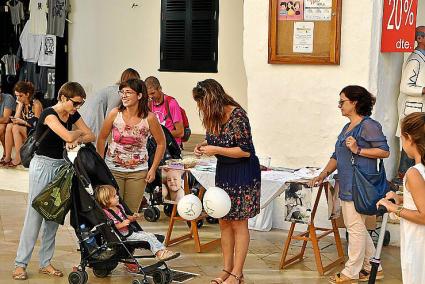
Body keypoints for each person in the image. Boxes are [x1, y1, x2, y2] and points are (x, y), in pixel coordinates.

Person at [12, 82, 95, 280]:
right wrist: (75, 135)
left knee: (53, 217)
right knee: (35, 214)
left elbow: (91, 134)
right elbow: (68, 135)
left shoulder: (72, 113)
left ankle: (45, 262)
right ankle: (20, 264)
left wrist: (77, 137)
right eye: (75, 103)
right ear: (64, 98)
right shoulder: (49, 114)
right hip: (42, 166)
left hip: (61, 166)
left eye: (81, 105)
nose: (77, 108)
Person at [309, 85, 390, 283]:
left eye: (342, 101)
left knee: (354, 228)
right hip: (346, 183)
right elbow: (337, 155)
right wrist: (323, 173)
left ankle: (350, 273)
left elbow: (384, 151)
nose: (339, 106)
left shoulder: (369, 125)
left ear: (354, 102)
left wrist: (358, 150)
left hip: (359, 185)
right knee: (357, 227)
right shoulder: (347, 127)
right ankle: (373, 267)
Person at [193, 79, 260, 284]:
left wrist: (216, 150)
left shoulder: (237, 116)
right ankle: (226, 269)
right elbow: (217, 141)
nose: (201, 107)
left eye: (202, 103)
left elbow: (245, 151)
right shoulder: (212, 117)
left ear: (212, 99)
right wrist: (203, 146)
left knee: (239, 223)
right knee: (224, 221)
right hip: (224, 172)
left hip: (242, 172)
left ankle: (237, 273)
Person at [97, 79, 165, 214]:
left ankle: (130, 235)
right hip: (113, 169)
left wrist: (153, 169)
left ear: (139, 95)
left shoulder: (150, 118)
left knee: (131, 213)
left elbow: (161, 143)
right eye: (122, 92)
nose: (124, 95)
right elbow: (102, 138)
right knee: (112, 211)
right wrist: (101, 163)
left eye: (128, 92)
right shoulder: (114, 113)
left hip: (138, 172)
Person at [377, 112, 425, 284]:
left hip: (419, 240)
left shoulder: (415, 172)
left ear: (409, 138)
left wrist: (392, 208)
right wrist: (402, 198)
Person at [95, 185, 180, 261]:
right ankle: (159, 253)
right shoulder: (106, 213)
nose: (117, 197)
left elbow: (125, 217)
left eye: (117, 194)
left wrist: (132, 218)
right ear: (105, 200)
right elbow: (109, 227)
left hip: (131, 232)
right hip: (122, 235)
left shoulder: (119, 207)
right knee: (147, 238)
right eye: (114, 196)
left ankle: (163, 251)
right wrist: (122, 225)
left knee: (150, 235)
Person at [79, 68, 140, 140]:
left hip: (89, 120)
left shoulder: (115, 90)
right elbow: (110, 118)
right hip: (94, 123)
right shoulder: (117, 93)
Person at [396, 26, 425, 177]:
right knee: (410, 143)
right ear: (419, 39)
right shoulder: (415, 59)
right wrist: (423, 90)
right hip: (413, 110)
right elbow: (405, 86)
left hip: (419, 110)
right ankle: (404, 177)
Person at [2, 81, 42, 167]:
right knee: (10, 126)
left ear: (27, 94)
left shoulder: (36, 104)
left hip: (35, 134)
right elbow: (15, 120)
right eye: (16, 96)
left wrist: (23, 122)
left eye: (20, 96)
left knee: (15, 128)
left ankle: (19, 157)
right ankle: (7, 157)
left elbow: (36, 124)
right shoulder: (21, 104)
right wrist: (19, 106)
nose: (18, 98)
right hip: (25, 132)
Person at [145, 76, 184, 146]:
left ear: (160, 88)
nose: (150, 97)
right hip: (156, 144)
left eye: (153, 93)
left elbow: (180, 132)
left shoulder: (171, 103)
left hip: (172, 145)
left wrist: (160, 135)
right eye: (148, 95)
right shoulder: (149, 104)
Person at [0, 83, 16, 161]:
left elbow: (6, 119)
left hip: (12, 123)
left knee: (1, 128)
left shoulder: (8, 98)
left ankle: (6, 153)